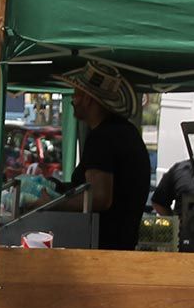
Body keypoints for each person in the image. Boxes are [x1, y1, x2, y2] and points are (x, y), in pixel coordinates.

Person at [52, 62, 151, 250]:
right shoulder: (124, 131)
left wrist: (52, 204)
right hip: (120, 246)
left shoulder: (103, 137)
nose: (73, 100)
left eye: (76, 94)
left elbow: (100, 198)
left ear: (89, 99)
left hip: (103, 248)